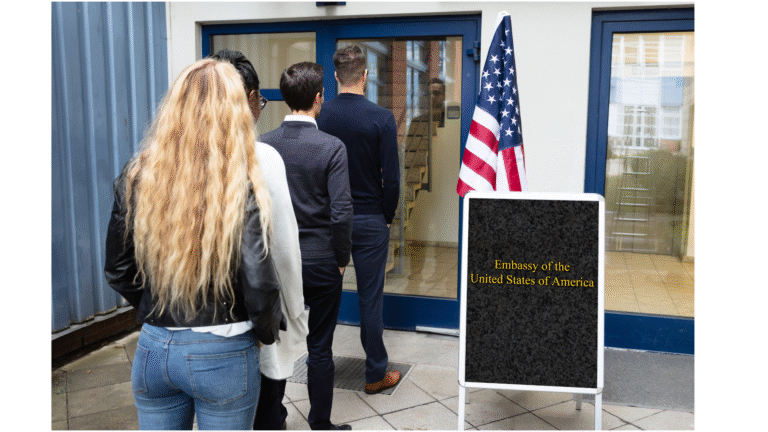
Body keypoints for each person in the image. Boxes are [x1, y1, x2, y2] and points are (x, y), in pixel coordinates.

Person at [104, 58, 300, 430]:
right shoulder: (239, 183)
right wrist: (265, 334)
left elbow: (118, 270)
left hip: (153, 349)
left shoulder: (137, 176)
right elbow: (260, 282)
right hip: (223, 350)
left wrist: (159, 308)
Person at [210, 48, 309, 431]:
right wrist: (295, 313)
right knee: (267, 414)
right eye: (261, 102)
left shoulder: (173, 159)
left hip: (187, 331)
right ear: (249, 98)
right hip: (250, 328)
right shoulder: (261, 158)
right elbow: (283, 251)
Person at [260, 61, 353, 430]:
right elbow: (342, 210)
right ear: (319, 99)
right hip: (321, 262)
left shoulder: (263, 144)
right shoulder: (331, 147)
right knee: (320, 346)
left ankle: (274, 418)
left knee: (275, 344)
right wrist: (342, 258)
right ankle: (321, 423)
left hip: (279, 264)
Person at [316, 45, 402, 395]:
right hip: (368, 220)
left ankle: (318, 364)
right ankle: (375, 374)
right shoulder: (381, 118)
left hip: (329, 221)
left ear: (336, 76)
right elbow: (392, 179)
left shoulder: (320, 116)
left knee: (324, 297)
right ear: (365, 75)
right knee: (370, 299)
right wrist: (386, 216)